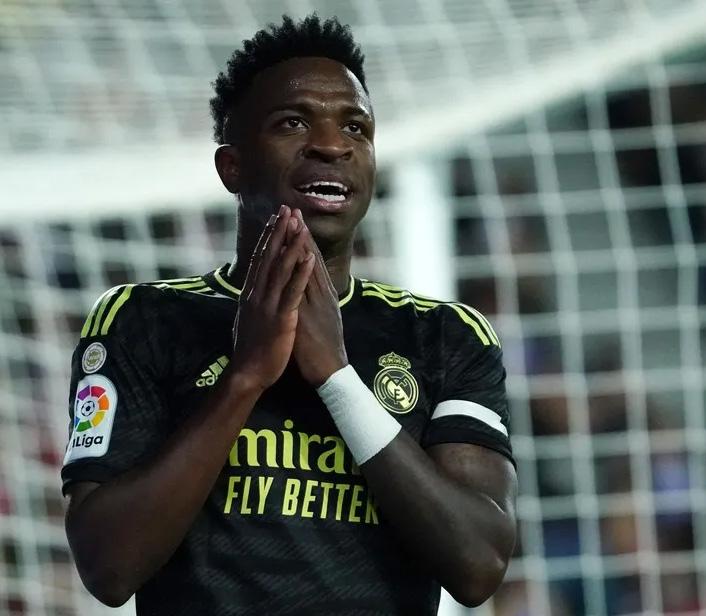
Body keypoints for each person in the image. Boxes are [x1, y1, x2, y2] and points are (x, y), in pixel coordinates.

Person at [61, 14, 517, 616]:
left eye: (356, 126)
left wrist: (338, 380)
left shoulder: (447, 335)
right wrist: (245, 376)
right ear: (232, 167)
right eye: (293, 122)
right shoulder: (143, 319)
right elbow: (108, 568)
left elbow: (478, 566)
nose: (332, 144)